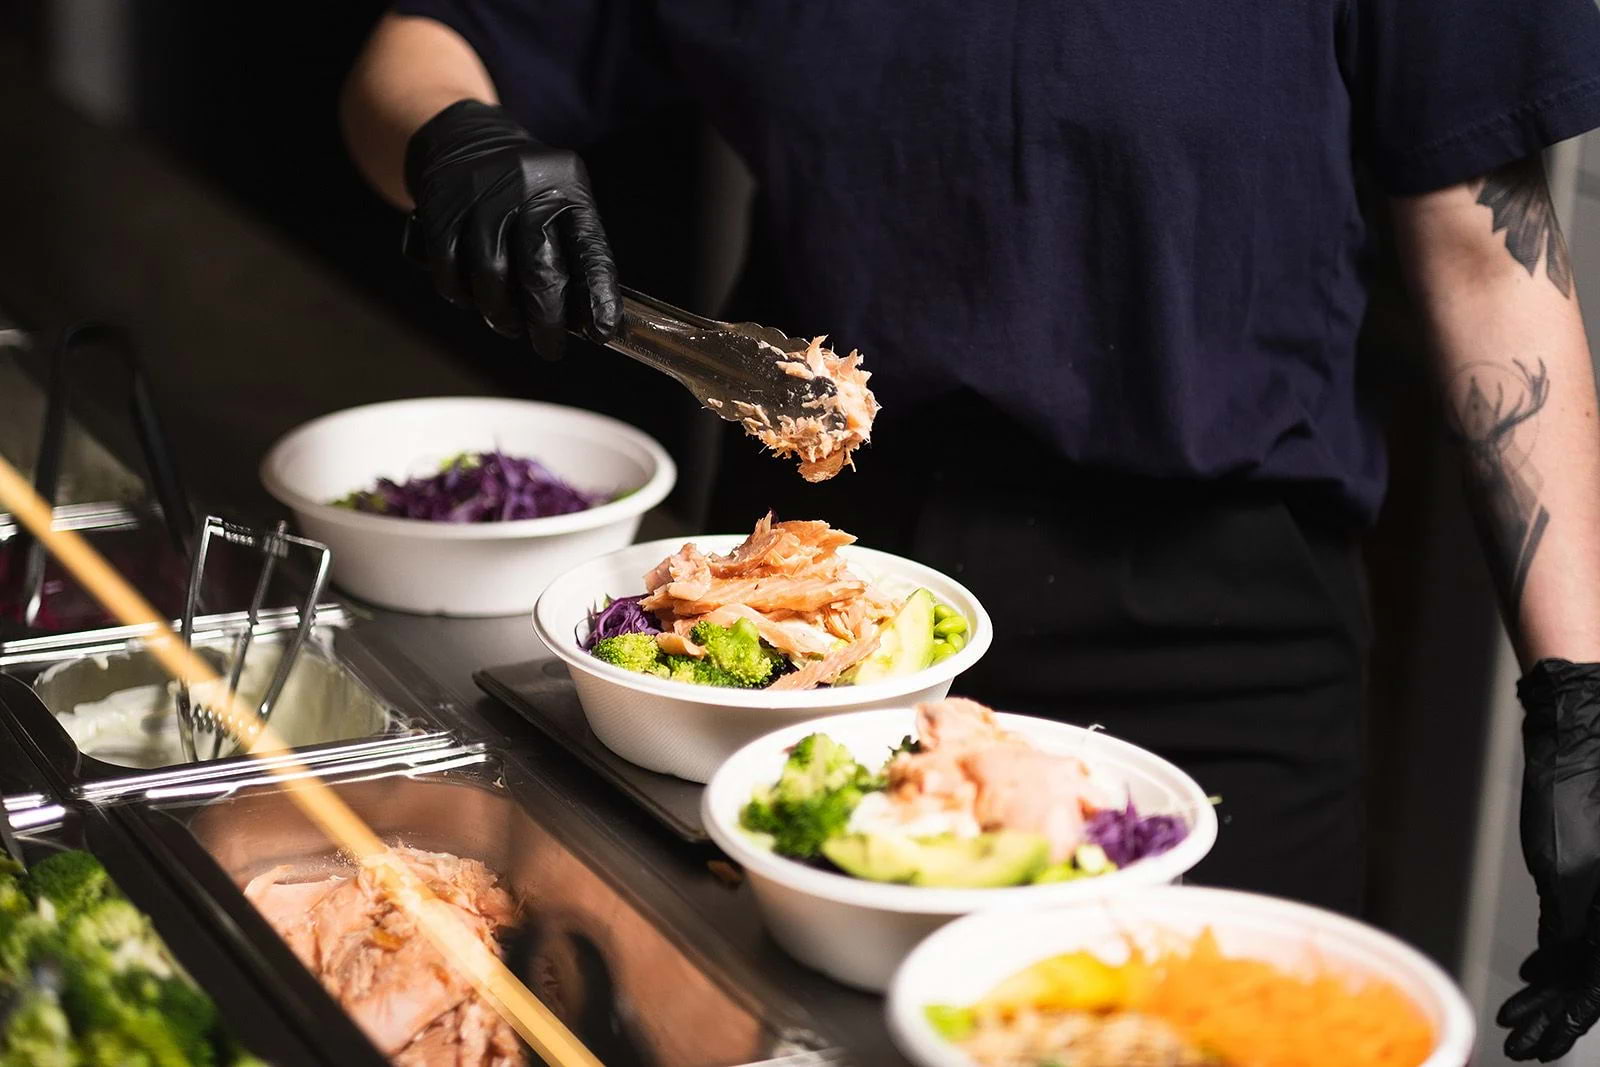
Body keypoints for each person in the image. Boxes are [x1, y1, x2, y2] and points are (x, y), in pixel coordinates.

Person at [340, 4, 1600, 1058]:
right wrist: (461, 140)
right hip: (822, 624)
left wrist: (1581, 697)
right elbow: (417, 51)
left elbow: (1488, 257)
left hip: (1222, 637)